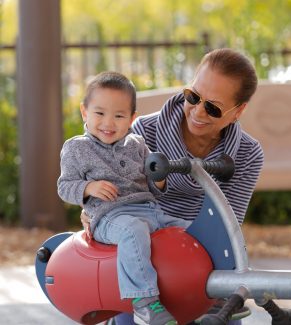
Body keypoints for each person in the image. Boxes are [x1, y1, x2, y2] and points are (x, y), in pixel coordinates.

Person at [81, 48, 264, 325]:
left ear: (238, 111)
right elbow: (118, 196)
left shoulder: (246, 154)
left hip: (203, 258)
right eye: (193, 97)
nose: (198, 112)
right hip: (146, 259)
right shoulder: (143, 133)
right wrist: (96, 208)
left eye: (213, 108)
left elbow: (227, 227)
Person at [58, 71, 190, 325]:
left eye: (119, 116)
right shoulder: (76, 148)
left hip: (149, 210)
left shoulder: (138, 144)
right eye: (99, 113)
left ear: (131, 119)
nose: (109, 122)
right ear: (84, 112)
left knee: (188, 230)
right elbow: (64, 186)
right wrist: (88, 187)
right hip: (109, 217)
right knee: (132, 230)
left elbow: (153, 184)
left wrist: (159, 179)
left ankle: (212, 295)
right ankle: (144, 302)